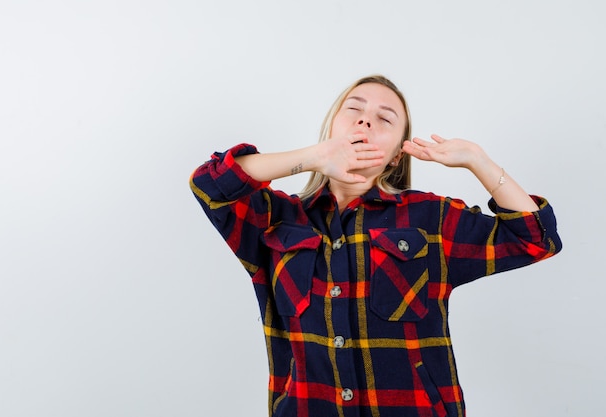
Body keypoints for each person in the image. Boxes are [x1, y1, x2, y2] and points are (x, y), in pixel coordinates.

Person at [190, 75, 562, 417]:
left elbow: (536, 239)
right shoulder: (277, 219)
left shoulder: (428, 218)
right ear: (331, 129)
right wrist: (312, 158)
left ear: (397, 155)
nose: (365, 120)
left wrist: (478, 161)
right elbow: (210, 183)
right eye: (354, 109)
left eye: (385, 119)